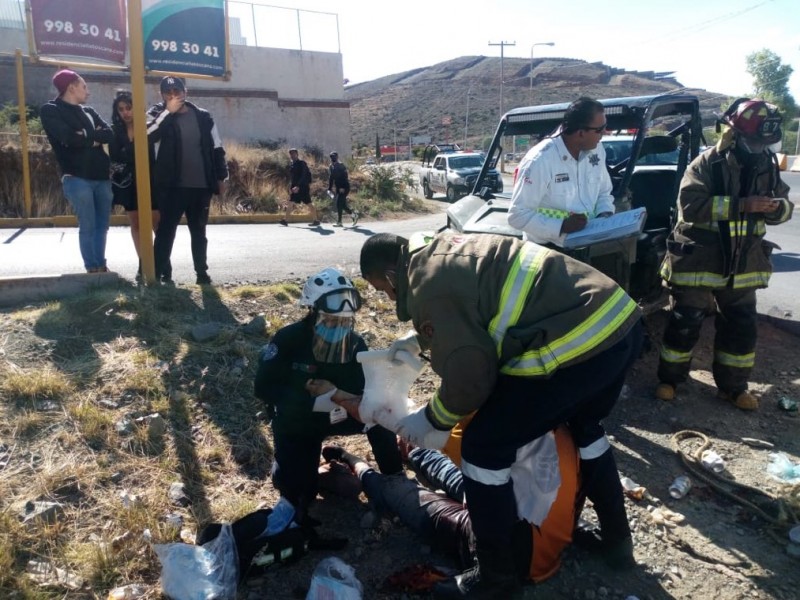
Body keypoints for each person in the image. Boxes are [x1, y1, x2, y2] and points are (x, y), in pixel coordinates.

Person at [359, 231, 643, 598]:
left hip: (576, 344)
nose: (388, 297)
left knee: (483, 449)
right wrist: (424, 340)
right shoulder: (442, 249)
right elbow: (484, 313)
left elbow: (470, 378)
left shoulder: (426, 283)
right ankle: (617, 542)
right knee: (586, 428)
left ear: (392, 274)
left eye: (382, 288)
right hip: (615, 325)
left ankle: (496, 580)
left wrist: (431, 419)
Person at [655, 98, 793, 410]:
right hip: (699, 262)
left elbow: (785, 207)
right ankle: (670, 380)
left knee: (742, 328)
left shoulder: (767, 167)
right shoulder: (707, 164)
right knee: (684, 323)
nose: (760, 147)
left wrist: (775, 208)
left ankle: (733, 388)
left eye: (764, 142)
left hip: (743, 265)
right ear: (735, 135)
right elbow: (689, 207)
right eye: (755, 140)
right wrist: (741, 206)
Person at [320, 423, 580, 587]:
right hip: (523, 521)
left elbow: (447, 437)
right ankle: (413, 449)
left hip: (493, 538)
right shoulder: (565, 425)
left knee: (397, 491)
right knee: (455, 469)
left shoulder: (492, 419)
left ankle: (353, 461)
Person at [253, 267, 403, 525]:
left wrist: (333, 393)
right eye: (332, 322)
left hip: (341, 412)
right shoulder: (289, 339)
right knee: (300, 494)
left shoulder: (356, 344)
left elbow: (365, 394)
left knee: (380, 416)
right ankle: (299, 471)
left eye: (345, 322)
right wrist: (305, 399)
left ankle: (396, 480)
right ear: (313, 314)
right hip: (299, 421)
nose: (339, 329)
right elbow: (263, 388)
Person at [146, 76, 228, 285]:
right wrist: (167, 112)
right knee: (166, 232)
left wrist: (221, 177)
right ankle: (156, 276)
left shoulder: (203, 116)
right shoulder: (157, 113)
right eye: (168, 92)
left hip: (201, 187)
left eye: (177, 91)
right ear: (162, 95)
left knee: (199, 233)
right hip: (172, 187)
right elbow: (147, 135)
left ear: (185, 91)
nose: (173, 95)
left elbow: (217, 147)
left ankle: (202, 274)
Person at [508, 96, 614, 247]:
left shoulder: (597, 150)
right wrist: (561, 226)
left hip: (587, 244)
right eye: (600, 130)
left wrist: (605, 214)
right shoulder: (540, 160)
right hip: (548, 252)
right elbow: (517, 216)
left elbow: (604, 192)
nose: (605, 133)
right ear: (580, 133)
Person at [40, 69, 114, 273]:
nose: (87, 92)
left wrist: (84, 136)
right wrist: (93, 137)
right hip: (77, 178)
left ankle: (101, 266)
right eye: (84, 86)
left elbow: (109, 134)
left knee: (103, 226)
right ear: (71, 87)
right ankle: (92, 269)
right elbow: (68, 138)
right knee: (88, 225)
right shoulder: (51, 109)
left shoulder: (89, 112)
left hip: (102, 178)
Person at [108, 90, 160, 283]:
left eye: (128, 108)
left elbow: (139, 153)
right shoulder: (115, 130)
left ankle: (160, 263)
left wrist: (127, 151)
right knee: (136, 223)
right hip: (128, 183)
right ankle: (142, 263)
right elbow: (116, 156)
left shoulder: (148, 126)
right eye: (121, 109)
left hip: (150, 179)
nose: (125, 113)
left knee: (156, 223)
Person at [280, 148, 318, 227]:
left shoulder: (302, 163)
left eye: (294, 154)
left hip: (303, 187)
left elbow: (303, 176)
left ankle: (316, 220)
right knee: (291, 202)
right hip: (295, 187)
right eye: (291, 154)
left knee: (309, 203)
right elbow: (292, 177)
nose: (292, 155)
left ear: (297, 154)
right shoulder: (292, 164)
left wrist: (298, 186)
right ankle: (285, 220)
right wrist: (292, 187)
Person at [328, 151, 358, 227]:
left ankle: (339, 222)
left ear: (337, 157)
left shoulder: (341, 165)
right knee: (343, 205)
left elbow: (345, 177)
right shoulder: (331, 167)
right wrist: (329, 188)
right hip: (338, 188)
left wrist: (342, 187)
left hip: (344, 187)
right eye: (331, 157)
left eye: (334, 156)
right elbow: (331, 178)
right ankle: (354, 215)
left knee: (339, 204)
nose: (333, 158)